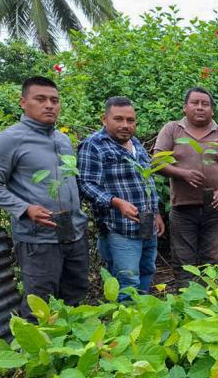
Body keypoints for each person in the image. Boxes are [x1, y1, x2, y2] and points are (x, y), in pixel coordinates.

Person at [0, 76, 88, 320]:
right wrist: (25, 208)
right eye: (41, 99)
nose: (49, 105)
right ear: (23, 102)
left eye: (54, 100)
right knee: (41, 304)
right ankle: (37, 355)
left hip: (73, 231)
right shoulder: (9, 140)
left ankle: (71, 354)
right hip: (38, 239)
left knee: (75, 295)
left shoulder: (62, 139)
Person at [153, 87, 218, 287]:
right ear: (185, 107)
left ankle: (208, 301)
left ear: (212, 110)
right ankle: (186, 301)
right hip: (183, 207)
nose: (200, 107)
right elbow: (156, 163)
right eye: (195, 103)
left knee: (211, 257)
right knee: (183, 259)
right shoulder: (172, 129)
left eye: (205, 104)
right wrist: (182, 174)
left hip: (215, 207)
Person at [77, 97, 165, 299]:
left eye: (130, 120)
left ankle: (142, 319)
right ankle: (126, 325)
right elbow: (86, 184)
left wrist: (156, 213)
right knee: (126, 280)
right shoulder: (94, 145)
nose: (125, 125)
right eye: (119, 119)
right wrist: (116, 202)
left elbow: (147, 181)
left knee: (147, 271)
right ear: (104, 119)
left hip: (146, 222)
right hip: (119, 227)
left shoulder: (134, 143)